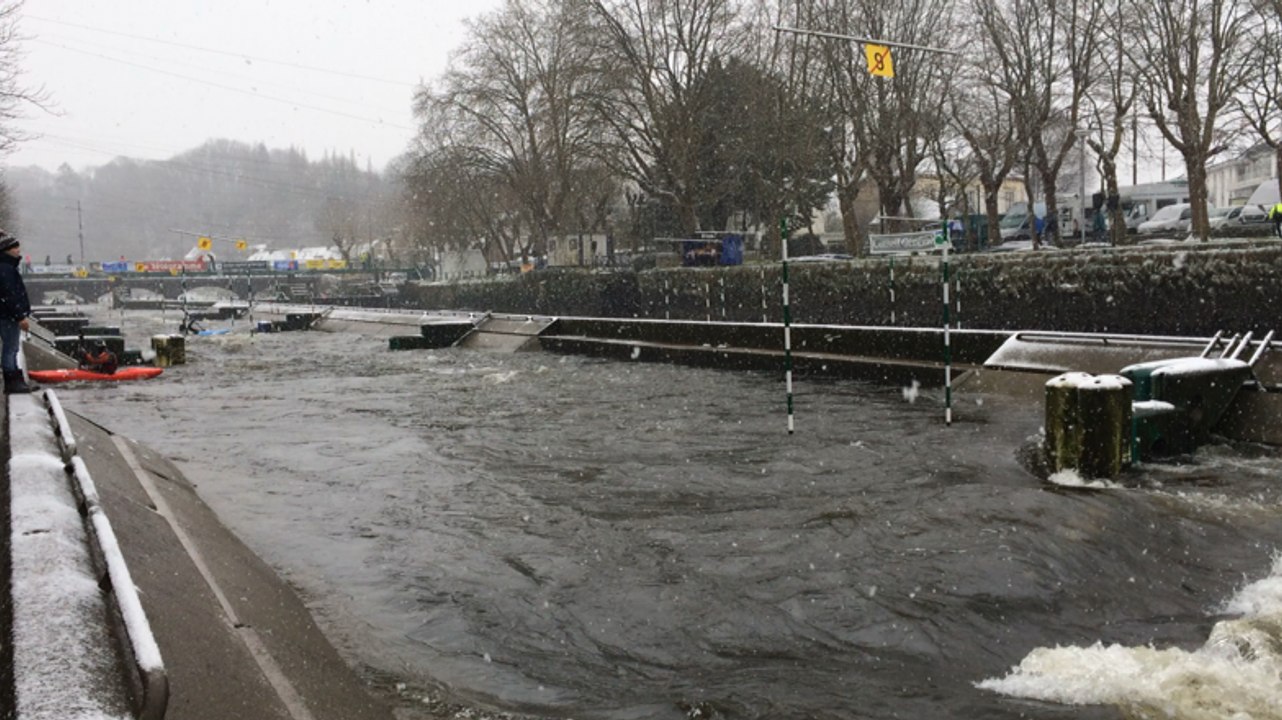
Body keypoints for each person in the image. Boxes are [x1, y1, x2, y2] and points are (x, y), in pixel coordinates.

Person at [0, 231, 33, 393]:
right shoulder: (6, 269)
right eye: (15, 248)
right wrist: (20, 316)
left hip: (6, 314)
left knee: (10, 348)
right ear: (7, 249)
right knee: (11, 348)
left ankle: (15, 380)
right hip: (8, 316)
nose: (18, 250)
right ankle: (12, 381)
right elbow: (10, 294)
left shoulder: (6, 267)